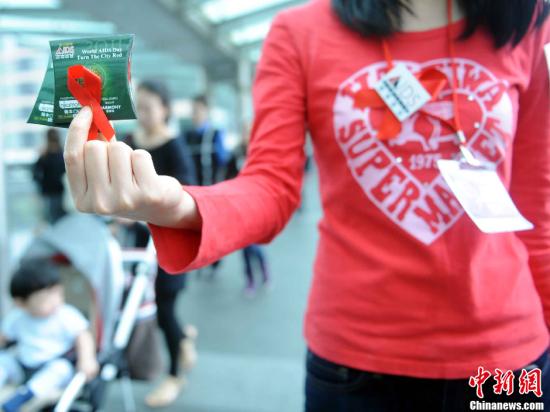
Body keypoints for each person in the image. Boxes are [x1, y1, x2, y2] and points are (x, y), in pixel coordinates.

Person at [63, 0, 550, 410]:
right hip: (358, 361)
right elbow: (271, 184)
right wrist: (179, 205)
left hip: (506, 358)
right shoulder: (303, 31)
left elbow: (537, 213)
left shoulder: (524, 23)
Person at [123, 79, 198, 408]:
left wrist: (145, 211)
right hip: (139, 243)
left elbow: (189, 191)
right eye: (138, 106)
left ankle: (174, 375)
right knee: (150, 306)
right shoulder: (130, 141)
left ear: (165, 109)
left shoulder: (174, 145)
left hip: (169, 241)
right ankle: (183, 339)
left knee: (164, 308)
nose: (142, 113)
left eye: (149, 107)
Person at [0, 259, 98, 412]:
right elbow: (3, 337)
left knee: (60, 370)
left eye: (58, 294)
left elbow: (83, 336)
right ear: (21, 303)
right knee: (3, 361)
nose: (56, 301)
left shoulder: (65, 315)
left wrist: (87, 359)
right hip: (23, 364)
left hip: (52, 364)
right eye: (46, 298)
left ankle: (23, 397)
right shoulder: (17, 317)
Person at [184, 95, 229, 278]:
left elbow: (224, 160)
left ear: (206, 111)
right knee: (197, 228)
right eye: (193, 111)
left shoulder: (215, 134)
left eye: (198, 110)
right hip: (192, 192)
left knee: (214, 228)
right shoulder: (187, 135)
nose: (194, 114)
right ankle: (201, 259)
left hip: (211, 190)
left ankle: (215, 260)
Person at [32, 128, 66, 224]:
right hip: (55, 188)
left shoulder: (47, 154)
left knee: (53, 214)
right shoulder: (59, 153)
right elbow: (36, 173)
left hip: (52, 188)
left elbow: (36, 173)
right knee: (54, 214)